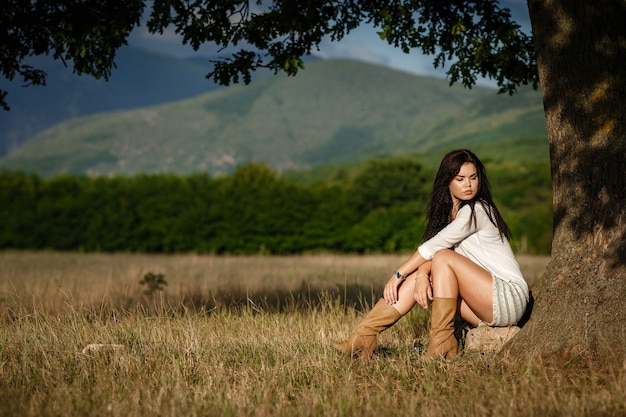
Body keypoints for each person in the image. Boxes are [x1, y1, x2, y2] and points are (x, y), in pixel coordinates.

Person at [333, 149, 529, 360]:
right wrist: (420, 276)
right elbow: (436, 254)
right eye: (460, 179)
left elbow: (436, 249)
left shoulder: (476, 211)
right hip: (485, 302)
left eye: (473, 177)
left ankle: (442, 344)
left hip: (508, 297)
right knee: (433, 265)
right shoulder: (452, 216)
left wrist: (398, 275)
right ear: (447, 181)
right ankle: (363, 337)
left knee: (442, 257)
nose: (469, 184)